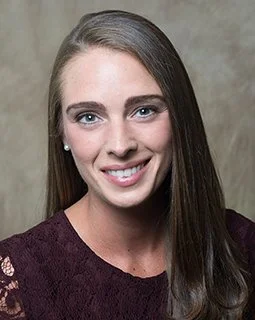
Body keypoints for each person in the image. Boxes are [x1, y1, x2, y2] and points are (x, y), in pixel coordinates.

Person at [0, 10, 254, 320]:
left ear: (179, 118)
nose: (120, 146)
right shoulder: (15, 278)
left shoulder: (244, 247)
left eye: (144, 110)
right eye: (89, 117)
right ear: (62, 132)